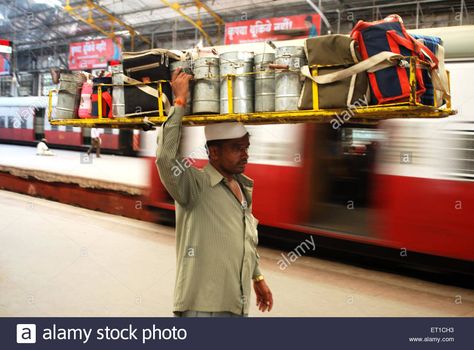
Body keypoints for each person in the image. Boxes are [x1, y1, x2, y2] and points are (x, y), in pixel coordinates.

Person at [156, 68, 273, 317]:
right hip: (203, 308)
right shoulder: (194, 185)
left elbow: (246, 238)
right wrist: (179, 104)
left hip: (236, 305)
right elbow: (165, 159)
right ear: (214, 152)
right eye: (236, 148)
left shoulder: (243, 187)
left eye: (246, 147)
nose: (245, 154)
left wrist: (257, 276)